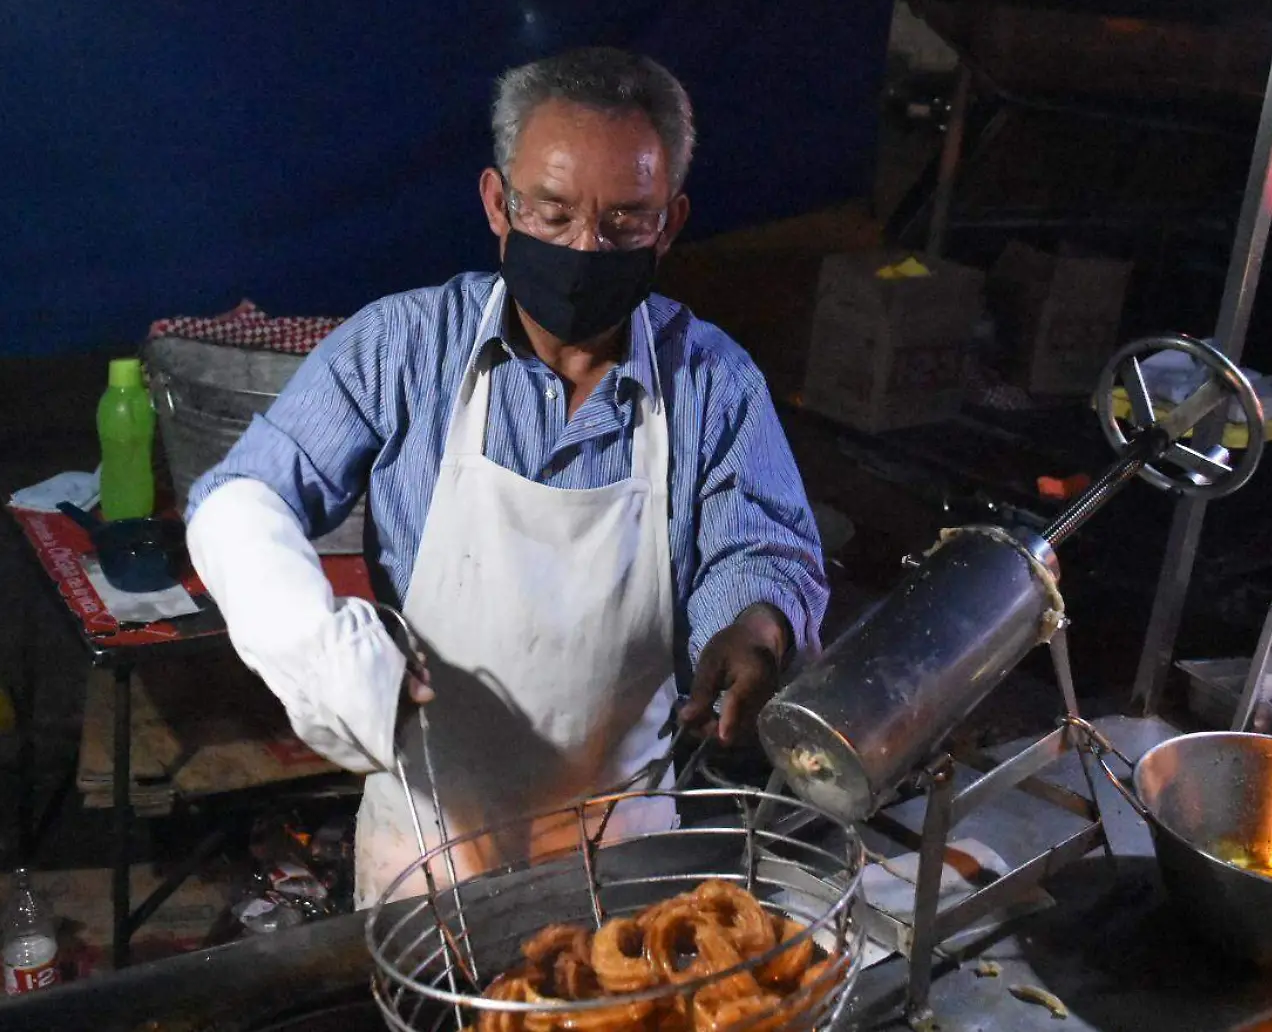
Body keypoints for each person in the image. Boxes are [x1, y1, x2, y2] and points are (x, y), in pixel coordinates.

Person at [185, 47, 827, 908]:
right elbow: (240, 500)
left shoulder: (712, 382)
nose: (583, 249)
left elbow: (762, 548)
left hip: (624, 855)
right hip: (428, 853)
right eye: (553, 213)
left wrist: (754, 628)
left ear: (670, 224)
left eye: (624, 224)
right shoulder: (402, 349)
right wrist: (312, 643)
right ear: (498, 204)